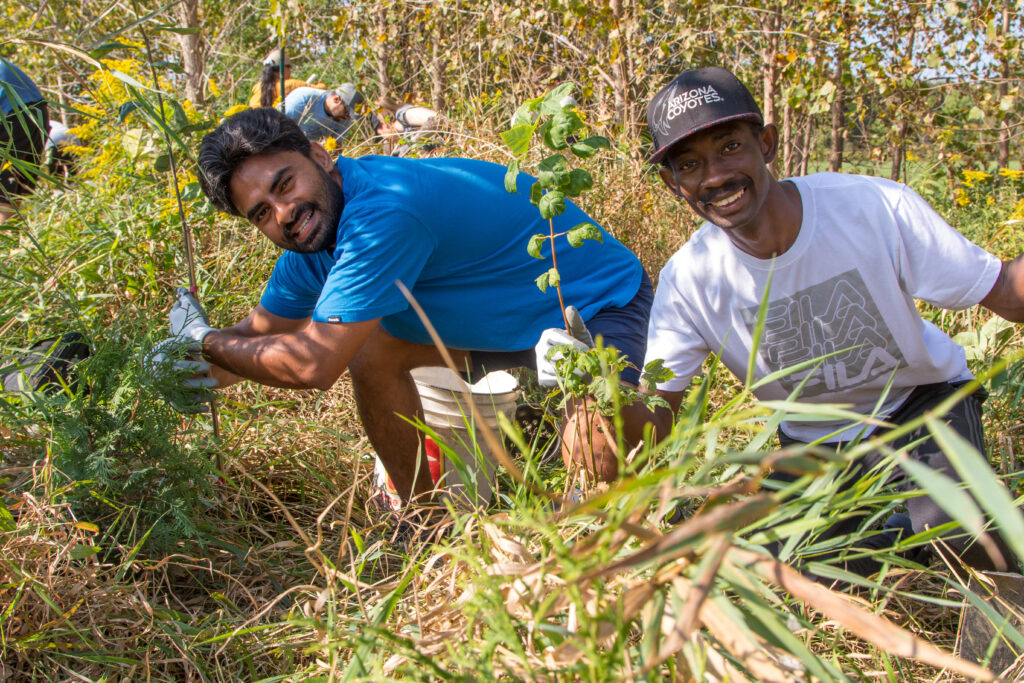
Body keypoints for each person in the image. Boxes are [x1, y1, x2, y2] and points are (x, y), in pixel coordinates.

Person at [154, 107, 652, 506]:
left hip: (589, 311)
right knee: (372, 348)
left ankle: (635, 422)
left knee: (598, 471)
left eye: (284, 184)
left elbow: (312, 364)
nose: (284, 213)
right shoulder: (312, 238)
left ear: (321, 156)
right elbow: (255, 341)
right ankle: (422, 521)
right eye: (261, 211)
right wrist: (165, 368)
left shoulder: (382, 212)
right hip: (488, 332)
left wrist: (203, 339)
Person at [641, 66, 1024, 577]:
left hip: (921, 406)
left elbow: (1003, 291)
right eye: (689, 164)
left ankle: (948, 534)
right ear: (672, 184)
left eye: (730, 147)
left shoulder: (869, 207)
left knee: (958, 534)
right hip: (813, 441)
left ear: (768, 143)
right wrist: (591, 406)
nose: (714, 176)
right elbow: (654, 413)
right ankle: (895, 536)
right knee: (804, 576)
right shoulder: (690, 279)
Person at [0, 58, 49, 223]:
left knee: (3, 197)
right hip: (37, 112)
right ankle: (16, 243)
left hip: (13, 114)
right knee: (14, 194)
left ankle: (5, 243)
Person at [283, 83, 364, 143]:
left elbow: (336, 148)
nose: (348, 118)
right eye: (347, 113)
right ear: (336, 100)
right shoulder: (301, 101)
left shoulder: (343, 119)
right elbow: (276, 130)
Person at [247, 48, 324, 109]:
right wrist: (320, 83)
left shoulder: (257, 88)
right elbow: (321, 90)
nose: (290, 71)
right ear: (283, 68)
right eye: (289, 67)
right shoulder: (290, 84)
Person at [370, 98, 444, 157]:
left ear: (384, 125)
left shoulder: (402, 115)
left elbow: (437, 118)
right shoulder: (402, 133)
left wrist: (412, 145)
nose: (383, 137)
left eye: (380, 134)